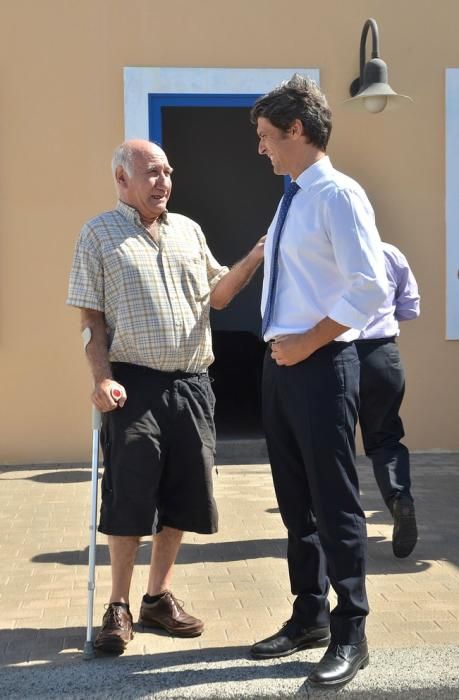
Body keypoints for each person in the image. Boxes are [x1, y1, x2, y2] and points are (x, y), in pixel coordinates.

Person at [67, 139, 264, 655]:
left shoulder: (189, 232)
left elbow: (218, 294)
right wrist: (100, 378)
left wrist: (257, 256)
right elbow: (91, 321)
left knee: (183, 496)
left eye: (168, 172)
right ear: (121, 178)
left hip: (193, 384)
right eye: (152, 172)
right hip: (132, 384)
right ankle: (118, 605)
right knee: (130, 495)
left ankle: (157, 597)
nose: (164, 181)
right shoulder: (98, 234)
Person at [249, 75, 388, 690]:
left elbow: (370, 286)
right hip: (281, 370)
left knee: (334, 504)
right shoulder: (292, 198)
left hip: (322, 366)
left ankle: (350, 631)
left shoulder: (337, 195)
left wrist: (308, 341)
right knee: (295, 504)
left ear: (297, 130)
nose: (262, 149)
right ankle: (308, 616)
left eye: (267, 137)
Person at [356, 242, 420, 558]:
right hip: (383, 355)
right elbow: (410, 307)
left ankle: (344, 524)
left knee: (331, 443)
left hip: (335, 355)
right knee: (385, 439)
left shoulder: (324, 251)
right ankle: (399, 499)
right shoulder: (391, 253)